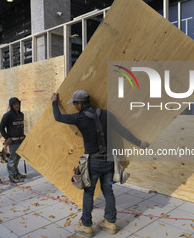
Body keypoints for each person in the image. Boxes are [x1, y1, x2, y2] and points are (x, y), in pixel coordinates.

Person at [51, 90, 149, 237]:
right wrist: (139, 143)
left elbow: (58, 117)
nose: (75, 107)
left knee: (89, 193)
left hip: (93, 162)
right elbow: (122, 131)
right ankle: (110, 222)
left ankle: (86, 225)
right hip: (110, 160)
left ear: (80, 104)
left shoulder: (79, 117)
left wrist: (54, 101)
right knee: (108, 191)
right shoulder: (106, 114)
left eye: (75, 104)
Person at [0, 97, 26, 183]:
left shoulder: (21, 115)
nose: (16, 105)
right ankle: (12, 176)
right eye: (14, 104)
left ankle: (16, 173)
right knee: (12, 159)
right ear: (11, 105)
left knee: (17, 158)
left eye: (17, 103)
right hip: (13, 142)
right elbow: (1, 128)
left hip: (20, 140)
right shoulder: (7, 116)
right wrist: (7, 138)